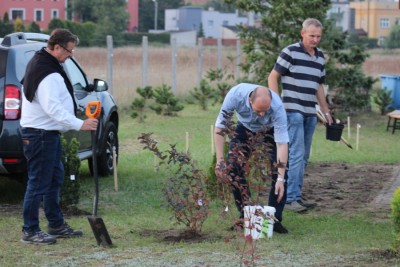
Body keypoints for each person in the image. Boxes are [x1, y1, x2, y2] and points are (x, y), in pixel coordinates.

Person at [20, 29, 99, 244]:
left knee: (54, 178)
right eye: (69, 50)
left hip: (47, 134)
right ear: (56, 47)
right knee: (38, 182)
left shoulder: (45, 64)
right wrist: (80, 124)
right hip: (40, 135)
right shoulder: (47, 72)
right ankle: (30, 230)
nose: (70, 55)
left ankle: (55, 224)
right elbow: (52, 108)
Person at [268, 18, 333, 213]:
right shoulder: (290, 52)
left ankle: (294, 194)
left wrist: (327, 111)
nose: (315, 40)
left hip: (310, 112)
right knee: (296, 155)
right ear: (302, 33)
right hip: (292, 110)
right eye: (311, 35)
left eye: (318, 36)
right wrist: (277, 104)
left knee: (303, 156)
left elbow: (318, 87)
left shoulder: (320, 57)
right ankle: (290, 199)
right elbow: (272, 77)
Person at [214, 83, 290, 234]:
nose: (262, 115)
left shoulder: (277, 107)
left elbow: (282, 144)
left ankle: (274, 220)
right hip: (245, 129)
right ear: (250, 101)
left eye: (265, 111)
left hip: (270, 130)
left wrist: (280, 178)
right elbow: (220, 129)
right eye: (258, 111)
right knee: (233, 168)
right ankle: (246, 216)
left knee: (280, 172)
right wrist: (220, 161)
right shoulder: (235, 96)